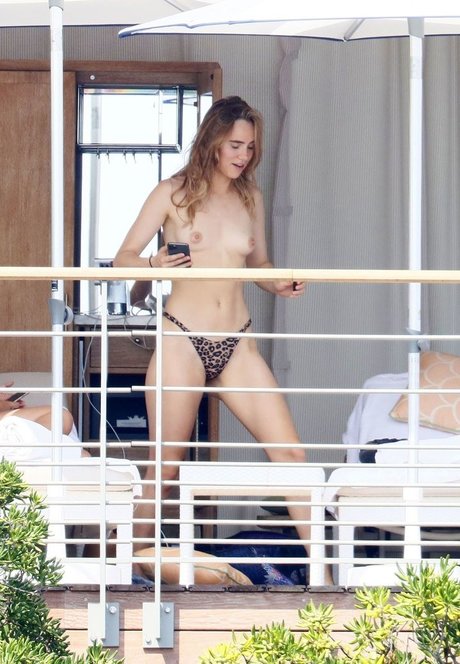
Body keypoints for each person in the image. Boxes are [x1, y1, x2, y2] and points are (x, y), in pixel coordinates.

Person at [114, 95, 324, 580]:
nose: (244, 155)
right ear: (212, 141)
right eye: (235, 145)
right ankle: (127, 570)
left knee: (292, 454)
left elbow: (260, 264)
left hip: (237, 343)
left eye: (250, 147)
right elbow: (123, 257)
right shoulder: (171, 193)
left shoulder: (250, 198)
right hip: (182, 339)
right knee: (165, 465)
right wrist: (153, 263)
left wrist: (279, 283)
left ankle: (325, 577)